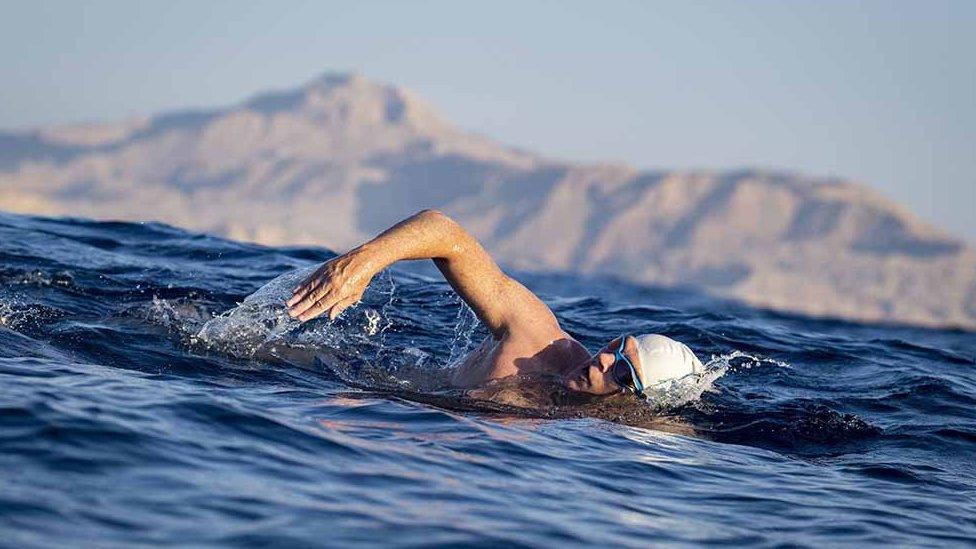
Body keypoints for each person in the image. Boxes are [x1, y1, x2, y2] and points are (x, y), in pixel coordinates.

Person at [286, 210, 703, 401]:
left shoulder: (614, 427)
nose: (602, 361)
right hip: (365, 384)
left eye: (624, 372)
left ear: (638, 400)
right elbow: (444, 233)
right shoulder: (538, 340)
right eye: (617, 346)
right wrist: (365, 261)